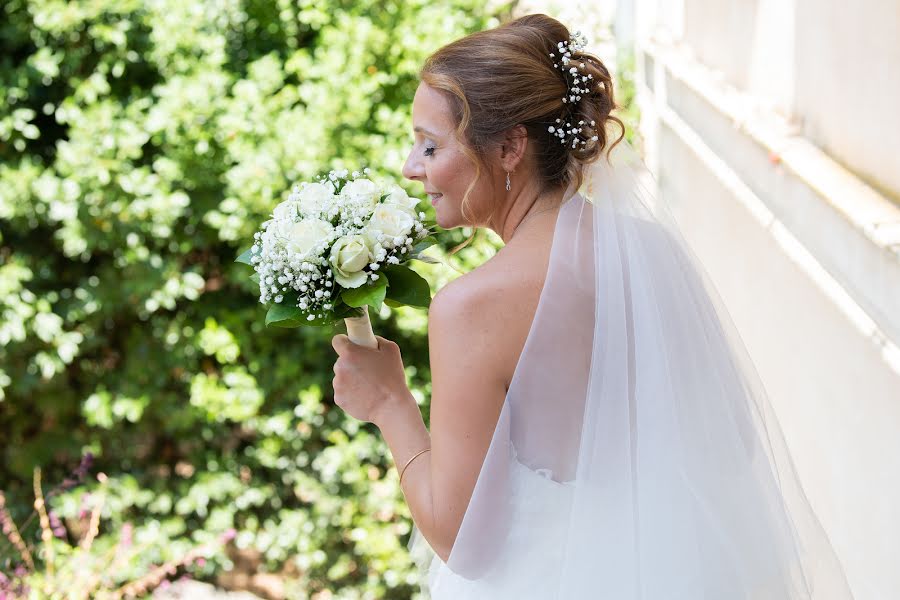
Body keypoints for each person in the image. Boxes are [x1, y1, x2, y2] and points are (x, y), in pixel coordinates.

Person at [331, 13, 855, 599]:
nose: (410, 166)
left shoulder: (470, 307)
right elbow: (734, 443)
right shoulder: (651, 255)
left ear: (508, 147)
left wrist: (389, 402)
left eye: (429, 145)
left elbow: (461, 542)